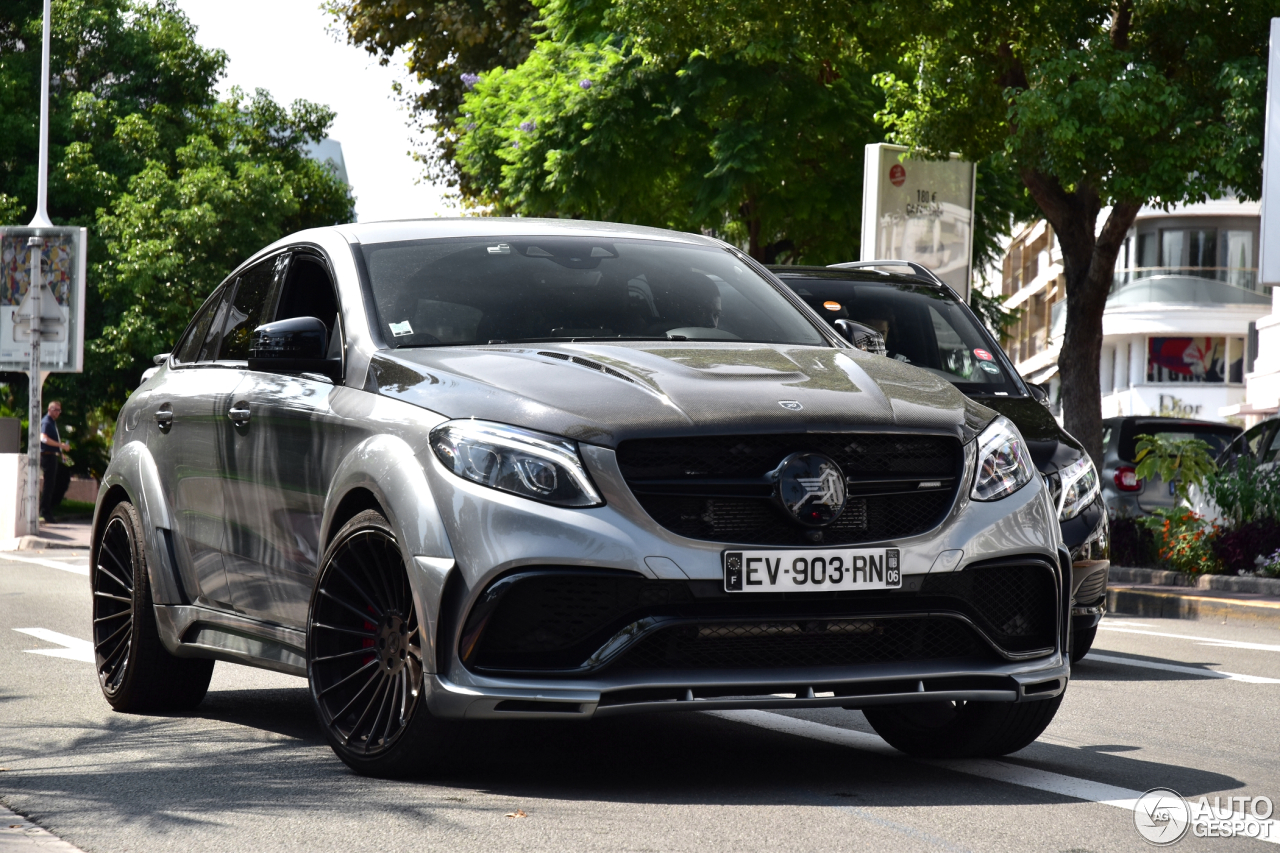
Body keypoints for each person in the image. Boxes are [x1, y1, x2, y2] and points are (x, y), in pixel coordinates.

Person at [39, 401, 69, 523]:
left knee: (51, 485)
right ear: (49, 409)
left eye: (59, 410)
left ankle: (47, 509)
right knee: (48, 485)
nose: (57, 412)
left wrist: (61, 451)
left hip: (53, 456)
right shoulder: (46, 421)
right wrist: (60, 445)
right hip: (47, 456)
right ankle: (45, 511)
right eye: (55, 409)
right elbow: (43, 438)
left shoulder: (52, 422)